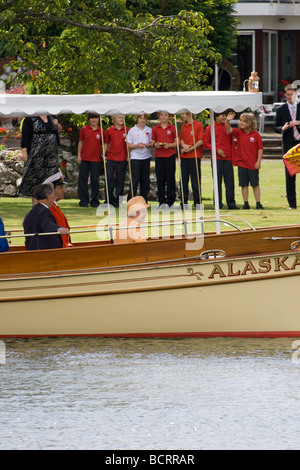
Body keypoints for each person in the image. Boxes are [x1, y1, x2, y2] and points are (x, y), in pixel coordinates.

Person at [226, 112, 264, 210]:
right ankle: (246, 203)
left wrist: (258, 161)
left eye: (244, 121)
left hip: (253, 164)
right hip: (242, 163)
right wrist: (228, 120)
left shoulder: (256, 135)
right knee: (244, 184)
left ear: (250, 123)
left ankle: (258, 203)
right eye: (240, 121)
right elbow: (229, 129)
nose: (241, 123)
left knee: (255, 184)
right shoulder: (239, 133)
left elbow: (260, 148)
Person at [18, 115, 62, 199]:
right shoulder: (30, 118)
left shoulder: (52, 117)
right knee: (35, 177)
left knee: (50, 177)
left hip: (51, 154)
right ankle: (35, 201)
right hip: (36, 154)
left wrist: (58, 125)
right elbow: (25, 136)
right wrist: (24, 151)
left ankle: (49, 201)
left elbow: (58, 131)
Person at [204, 112, 239, 210]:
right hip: (216, 159)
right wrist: (216, 149)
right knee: (217, 182)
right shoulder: (210, 128)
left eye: (225, 116)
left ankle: (231, 203)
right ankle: (217, 204)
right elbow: (206, 143)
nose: (224, 118)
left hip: (228, 158)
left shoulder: (227, 126)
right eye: (222, 116)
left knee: (230, 182)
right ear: (216, 116)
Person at [274, 84, 300, 209]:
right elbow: (276, 127)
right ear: (285, 95)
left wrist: (298, 122)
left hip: (299, 142)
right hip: (289, 145)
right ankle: (292, 204)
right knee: (290, 175)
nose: (290, 97)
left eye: (292, 95)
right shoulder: (281, 109)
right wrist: (283, 128)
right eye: (288, 95)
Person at [23, 183, 70, 250]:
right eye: (53, 196)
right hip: (44, 254)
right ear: (48, 197)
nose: (54, 198)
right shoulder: (43, 211)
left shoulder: (31, 213)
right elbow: (47, 223)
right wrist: (59, 229)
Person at [151, 111, 178, 208]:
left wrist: (169, 145)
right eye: (161, 115)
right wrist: (155, 145)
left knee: (170, 179)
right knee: (160, 179)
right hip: (159, 157)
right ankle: (161, 201)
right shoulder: (155, 128)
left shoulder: (173, 128)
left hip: (170, 156)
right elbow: (152, 143)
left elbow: (177, 142)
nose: (163, 117)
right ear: (159, 116)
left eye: (165, 115)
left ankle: (171, 201)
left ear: (169, 117)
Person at [104, 115, 129, 207]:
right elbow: (106, 143)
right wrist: (103, 154)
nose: (121, 119)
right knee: (109, 180)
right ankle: (108, 200)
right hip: (111, 159)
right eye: (119, 118)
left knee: (120, 181)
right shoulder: (109, 130)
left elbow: (129, 144)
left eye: (123, 118)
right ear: (114, 120)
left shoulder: (127, 130)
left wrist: (128, 155)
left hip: (122, 159)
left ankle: (118, 201)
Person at [77, 113, 102, 208]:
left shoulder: (101, 131)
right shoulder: (84, 129)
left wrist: (103, 154)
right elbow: (80, 142)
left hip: (96, 159)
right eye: (92, 118)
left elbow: (103, 145)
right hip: (84, 158)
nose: (94, 120)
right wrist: (79, 155)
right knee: (82, 180)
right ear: (89, 119)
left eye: (95, 118)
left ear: (98, 119)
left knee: (95, 181)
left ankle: (94, 201)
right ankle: (83, 201)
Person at [179, 111, 203, 207]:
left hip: (195, 156)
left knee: (195, 180)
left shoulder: (198, 125)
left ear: (189, 114)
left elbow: (200, 141)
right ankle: (183, 202)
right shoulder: (183, 126)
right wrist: (184, 145)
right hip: (184, 157)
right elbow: (181, 139)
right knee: (183, 180)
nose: (182, 116)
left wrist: (191, 148)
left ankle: (197, 202)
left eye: (183, 114)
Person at [126, 114, 152, 202]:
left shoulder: (149, 130)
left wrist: (146, 145)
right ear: (136, 119)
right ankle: (131, 200)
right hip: (135, 158)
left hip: (146, 157)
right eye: (140, 118)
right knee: (135, 179)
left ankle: (143, 200)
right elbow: (128, 145)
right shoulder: (132, 130)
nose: (142, 120)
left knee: (145, 180)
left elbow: (151, 144)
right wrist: (137, 145)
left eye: (144, 118)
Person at [43, 171, 72, 248]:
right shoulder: (48, 208)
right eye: (61, 187)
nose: (64, 190)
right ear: (52, 190)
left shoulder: (54, 206)